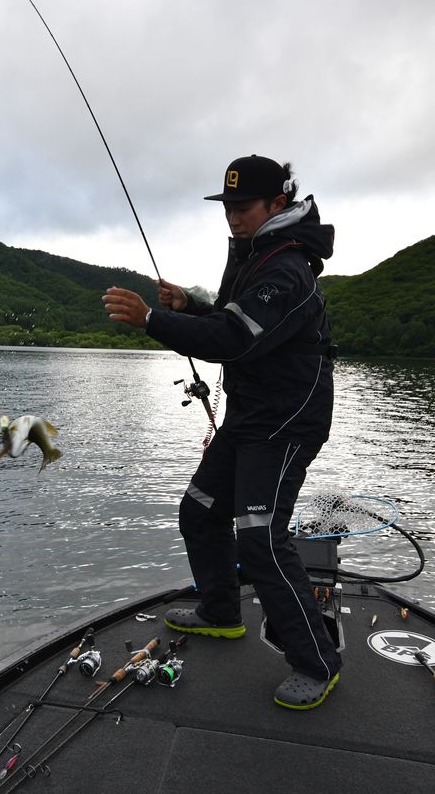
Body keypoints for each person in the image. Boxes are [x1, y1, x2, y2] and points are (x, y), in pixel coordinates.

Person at [101, 154, 341, 710]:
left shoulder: (287, 267)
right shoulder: (255, 251)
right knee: (200, 508)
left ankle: (319, 661)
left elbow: (235, 338)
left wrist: (152, 320)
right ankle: (221, 611)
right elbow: (234, 319)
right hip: (249, 415)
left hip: (285, 422)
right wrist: (193, 305)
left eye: (244, 206)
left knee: (260, 537)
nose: (232, 216)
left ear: (277, 205)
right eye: (227, 206)